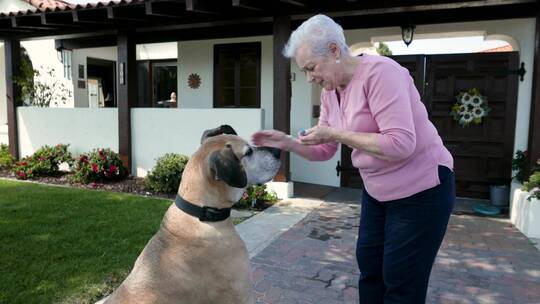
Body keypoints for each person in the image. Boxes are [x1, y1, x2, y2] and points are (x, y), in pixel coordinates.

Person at [251, 14, 455, 304]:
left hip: (422, 190)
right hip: (378, 192)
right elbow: (324, 150)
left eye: (311, 68)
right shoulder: (330, 92)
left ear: (334, 50)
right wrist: (288, 144)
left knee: (401, 284)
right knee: (370, 271)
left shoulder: (382, 74)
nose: (310, 77)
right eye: (304, 70)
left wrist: (334, 132)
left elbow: (400, 144)